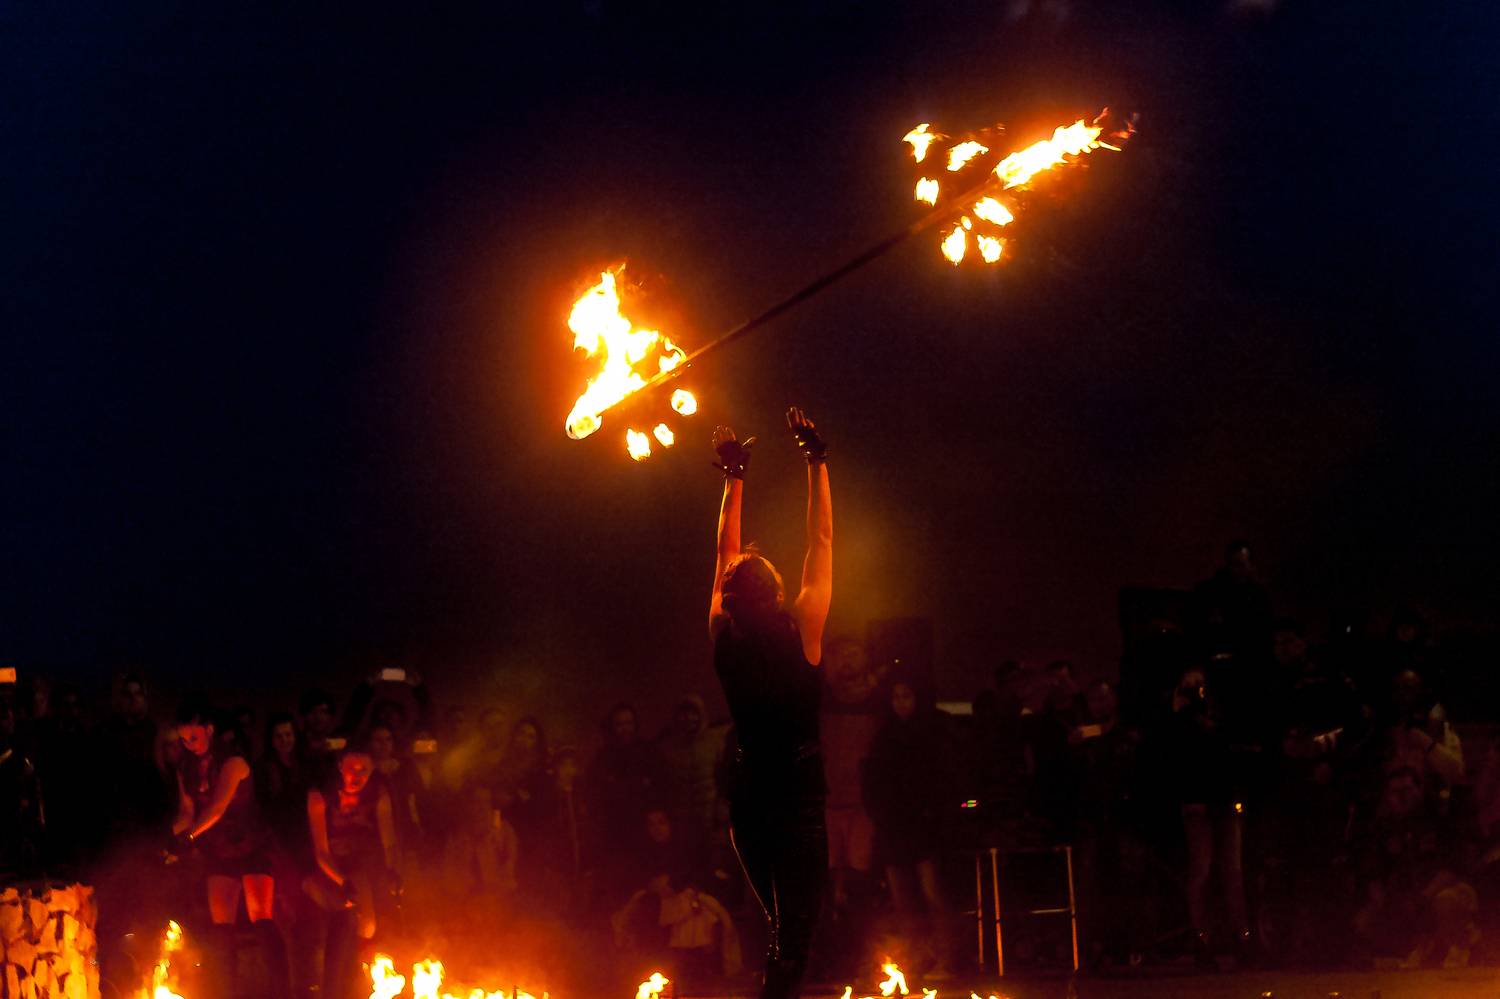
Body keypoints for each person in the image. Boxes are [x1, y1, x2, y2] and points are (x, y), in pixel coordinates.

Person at [706, 407, 832, 999]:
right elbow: (821, 540)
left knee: (782, 931)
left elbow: (722, 553)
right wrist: (816, 460)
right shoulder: (803, 627)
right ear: (778, 590)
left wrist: (735, 478)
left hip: (750, 798)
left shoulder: (722, 634)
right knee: (792, 936)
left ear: (731, 596)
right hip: (796, 799)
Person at [170, 695, 288, 999]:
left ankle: (283, 992)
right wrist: (170, 839)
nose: (189, 744)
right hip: (220, 849)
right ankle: (226, 993)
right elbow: (187, 811)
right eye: (183, 739)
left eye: (194, 737)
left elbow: (217, 807)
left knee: (261, 916)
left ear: (209, 729)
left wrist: (190, 838)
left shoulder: (233, 762)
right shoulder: (186, 767)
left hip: (250, 843)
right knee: (221, 928)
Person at [862, 678, 957, 976]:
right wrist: (879, 814)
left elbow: (942, 779)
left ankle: (947, 957)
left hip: (923, 826)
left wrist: (934, 814)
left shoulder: (932, 733)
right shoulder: (884, 736)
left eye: (907, 696)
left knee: (933, 894)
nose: (901, 702)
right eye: (896, 697)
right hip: (894, 827)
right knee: (903, 899)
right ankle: (915, 958)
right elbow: (871, 779)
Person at [304, 747, 401, 999]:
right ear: (340, 767)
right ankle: (336, 990)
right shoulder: (320, 796)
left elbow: (389, 840)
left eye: (363, 770)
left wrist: (393, 870)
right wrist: (342, 881)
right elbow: (321, 851)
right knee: (351, 920)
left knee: (371, 926)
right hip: (328, 868)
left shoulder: (378, 794)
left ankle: (361, 983)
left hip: (364, 866)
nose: (357, 776)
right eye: (351, 769)